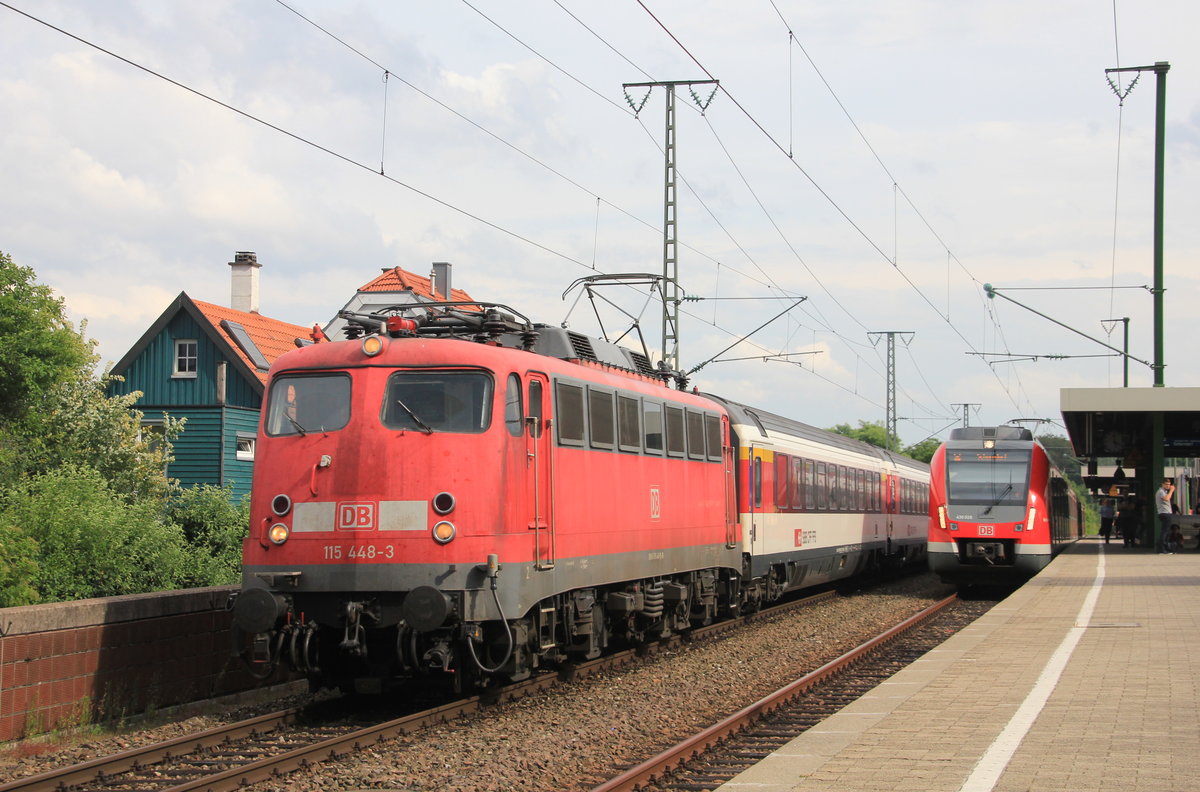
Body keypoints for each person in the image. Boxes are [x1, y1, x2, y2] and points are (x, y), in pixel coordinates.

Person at [1156, 479, 1176, 553]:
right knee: (1164, 531)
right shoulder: (1161, 491)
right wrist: (1171, 491)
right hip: (1164, 513)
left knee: (1167, 531)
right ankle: (1161, 548)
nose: (1168, 486)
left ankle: (1166, 547)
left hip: (1166, 513)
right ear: (1162, 484)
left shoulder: (1164, 492)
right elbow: (1166, 498)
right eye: (1166, 484)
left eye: (1169, 484)